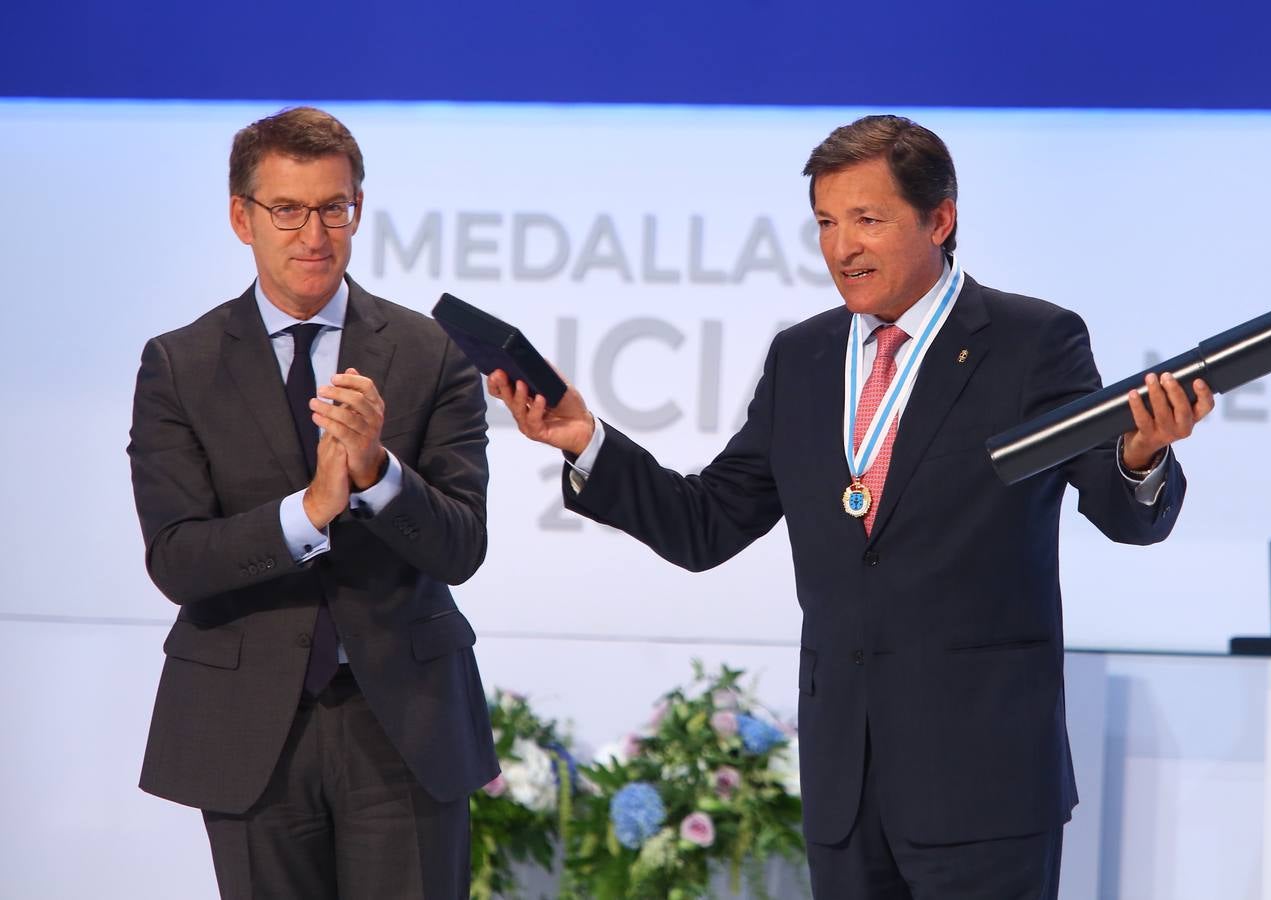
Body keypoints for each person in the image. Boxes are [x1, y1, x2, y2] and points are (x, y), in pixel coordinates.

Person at [487, 114, 1214, 899]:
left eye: (867, 220)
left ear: (940, 219)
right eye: (826, 224)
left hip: (982, 787)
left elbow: (1121, 510)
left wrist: (1139, 454)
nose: (841, 248)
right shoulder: (802, 356)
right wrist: (584, 440)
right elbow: (706, 524)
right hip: (844, 786)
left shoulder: (1028, 340)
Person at [128, 106, 497, 900]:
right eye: (288, 210)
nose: (315, 234)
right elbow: (179, 558)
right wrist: (312, 508)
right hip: (248, 726)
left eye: (336, 207)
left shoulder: (428, 351)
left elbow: (462, 547)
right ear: (242, 218)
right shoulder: (180, 365)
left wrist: (377, 474)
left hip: (402, 721)